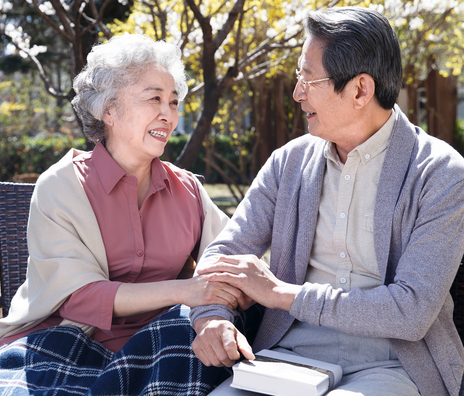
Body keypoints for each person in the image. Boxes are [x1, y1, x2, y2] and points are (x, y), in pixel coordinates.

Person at [0, 33, 254, 396]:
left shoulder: (188, 191)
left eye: (173, 101)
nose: (167, 113)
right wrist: (187, 290)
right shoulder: (61, 185)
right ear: (109, 110)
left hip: (155, 344)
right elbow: (82, 298)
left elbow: (230, 260)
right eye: (154, 99)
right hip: (58, 340)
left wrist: (214, 305)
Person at [190, 6, 464, 396]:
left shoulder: (440, 172)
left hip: (393, 364)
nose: (297, 93)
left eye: (307, 78)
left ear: (359, 90)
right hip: (286, 357)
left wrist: (282, 294)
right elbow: (225, 255)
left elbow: (411, 311)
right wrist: (211, 318)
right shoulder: (289, 162)